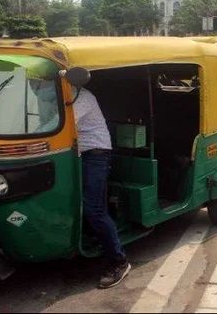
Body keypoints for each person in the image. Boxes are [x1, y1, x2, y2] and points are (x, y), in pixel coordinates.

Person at [73, 86, 131, 289]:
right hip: (74, 154)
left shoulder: (84, 96)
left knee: (93, 209)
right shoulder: (54, 96)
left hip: (95, 154)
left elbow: (63, 124)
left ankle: (119, 261)